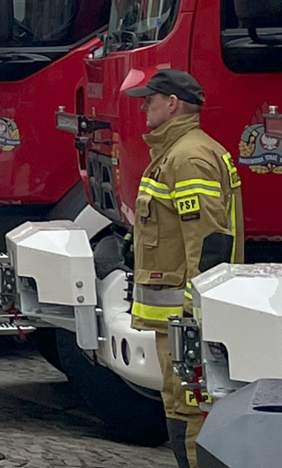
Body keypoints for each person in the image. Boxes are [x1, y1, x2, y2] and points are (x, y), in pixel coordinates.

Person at [122, 69, 242, 468]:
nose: (143, 107)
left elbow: (208, 242)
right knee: (179, 402)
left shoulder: (188, 157)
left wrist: (196, 315)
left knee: (190, 408)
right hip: (175, 318)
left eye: (149, 99)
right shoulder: (175, 153)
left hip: (184, 318)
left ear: (171, 103)